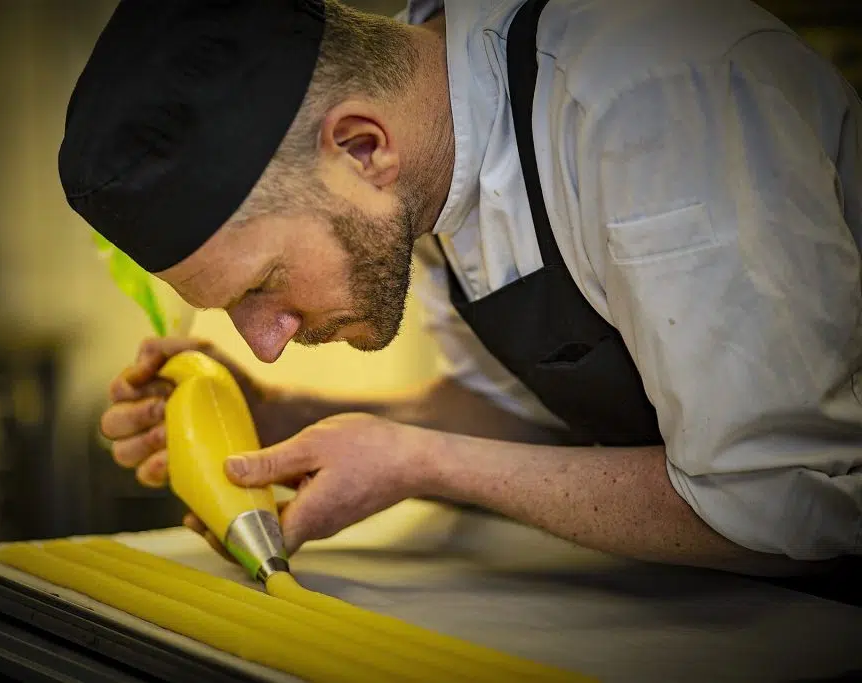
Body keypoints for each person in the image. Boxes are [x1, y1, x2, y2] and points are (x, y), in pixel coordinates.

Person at [61, 0, 862, 577]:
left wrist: (424, 463)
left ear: (362, 147)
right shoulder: (426, 168)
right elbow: (519, 415)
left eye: (263, 285)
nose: (263, 336)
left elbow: (784, 495)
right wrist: (286, 417)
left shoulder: (647, 98)